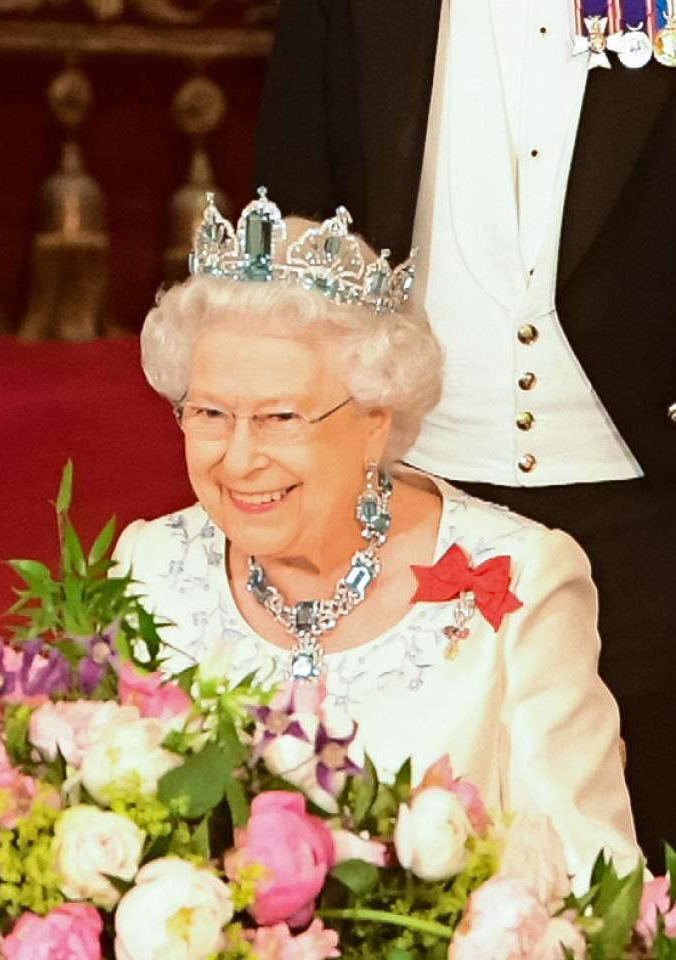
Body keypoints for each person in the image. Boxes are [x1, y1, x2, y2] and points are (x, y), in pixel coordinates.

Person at [252, 0, 676, 858]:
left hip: (648, 495)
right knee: (417, 844)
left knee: (648, 842)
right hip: (416, 494)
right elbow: (296, 216)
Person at [111, 193, 638, 879]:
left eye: (280, 418)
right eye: (209, 413)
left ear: (374, 422)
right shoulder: (148, 565)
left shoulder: (525, 579)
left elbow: (591, 882)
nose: (238, 460)